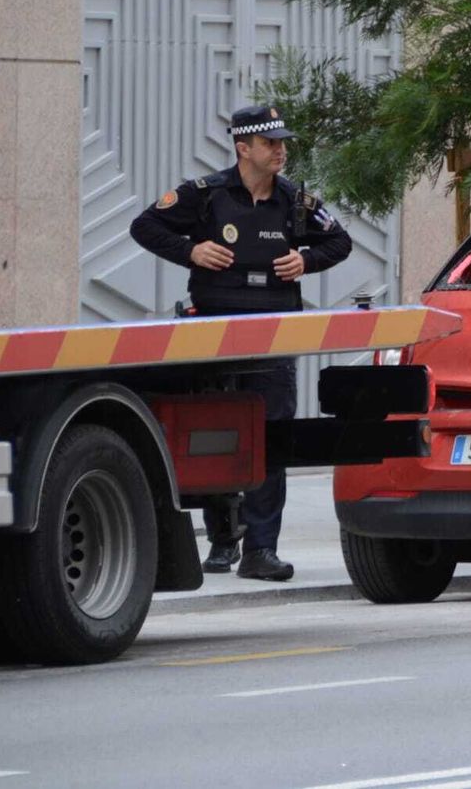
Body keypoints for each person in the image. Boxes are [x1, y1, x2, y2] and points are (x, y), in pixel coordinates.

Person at [130, 105, 353, 582]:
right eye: (270, 142)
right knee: (215, 433)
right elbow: (144, 227)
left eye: (282, 142)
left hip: (273, 328)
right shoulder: (205, 196)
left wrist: (306, 260)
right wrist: (189, 249)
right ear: (243, 148)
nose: (281, 150)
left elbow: (341, 243)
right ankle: (222, 539)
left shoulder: (295, 202)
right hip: (215, 326)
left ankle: (261, 550)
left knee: (270, 437)